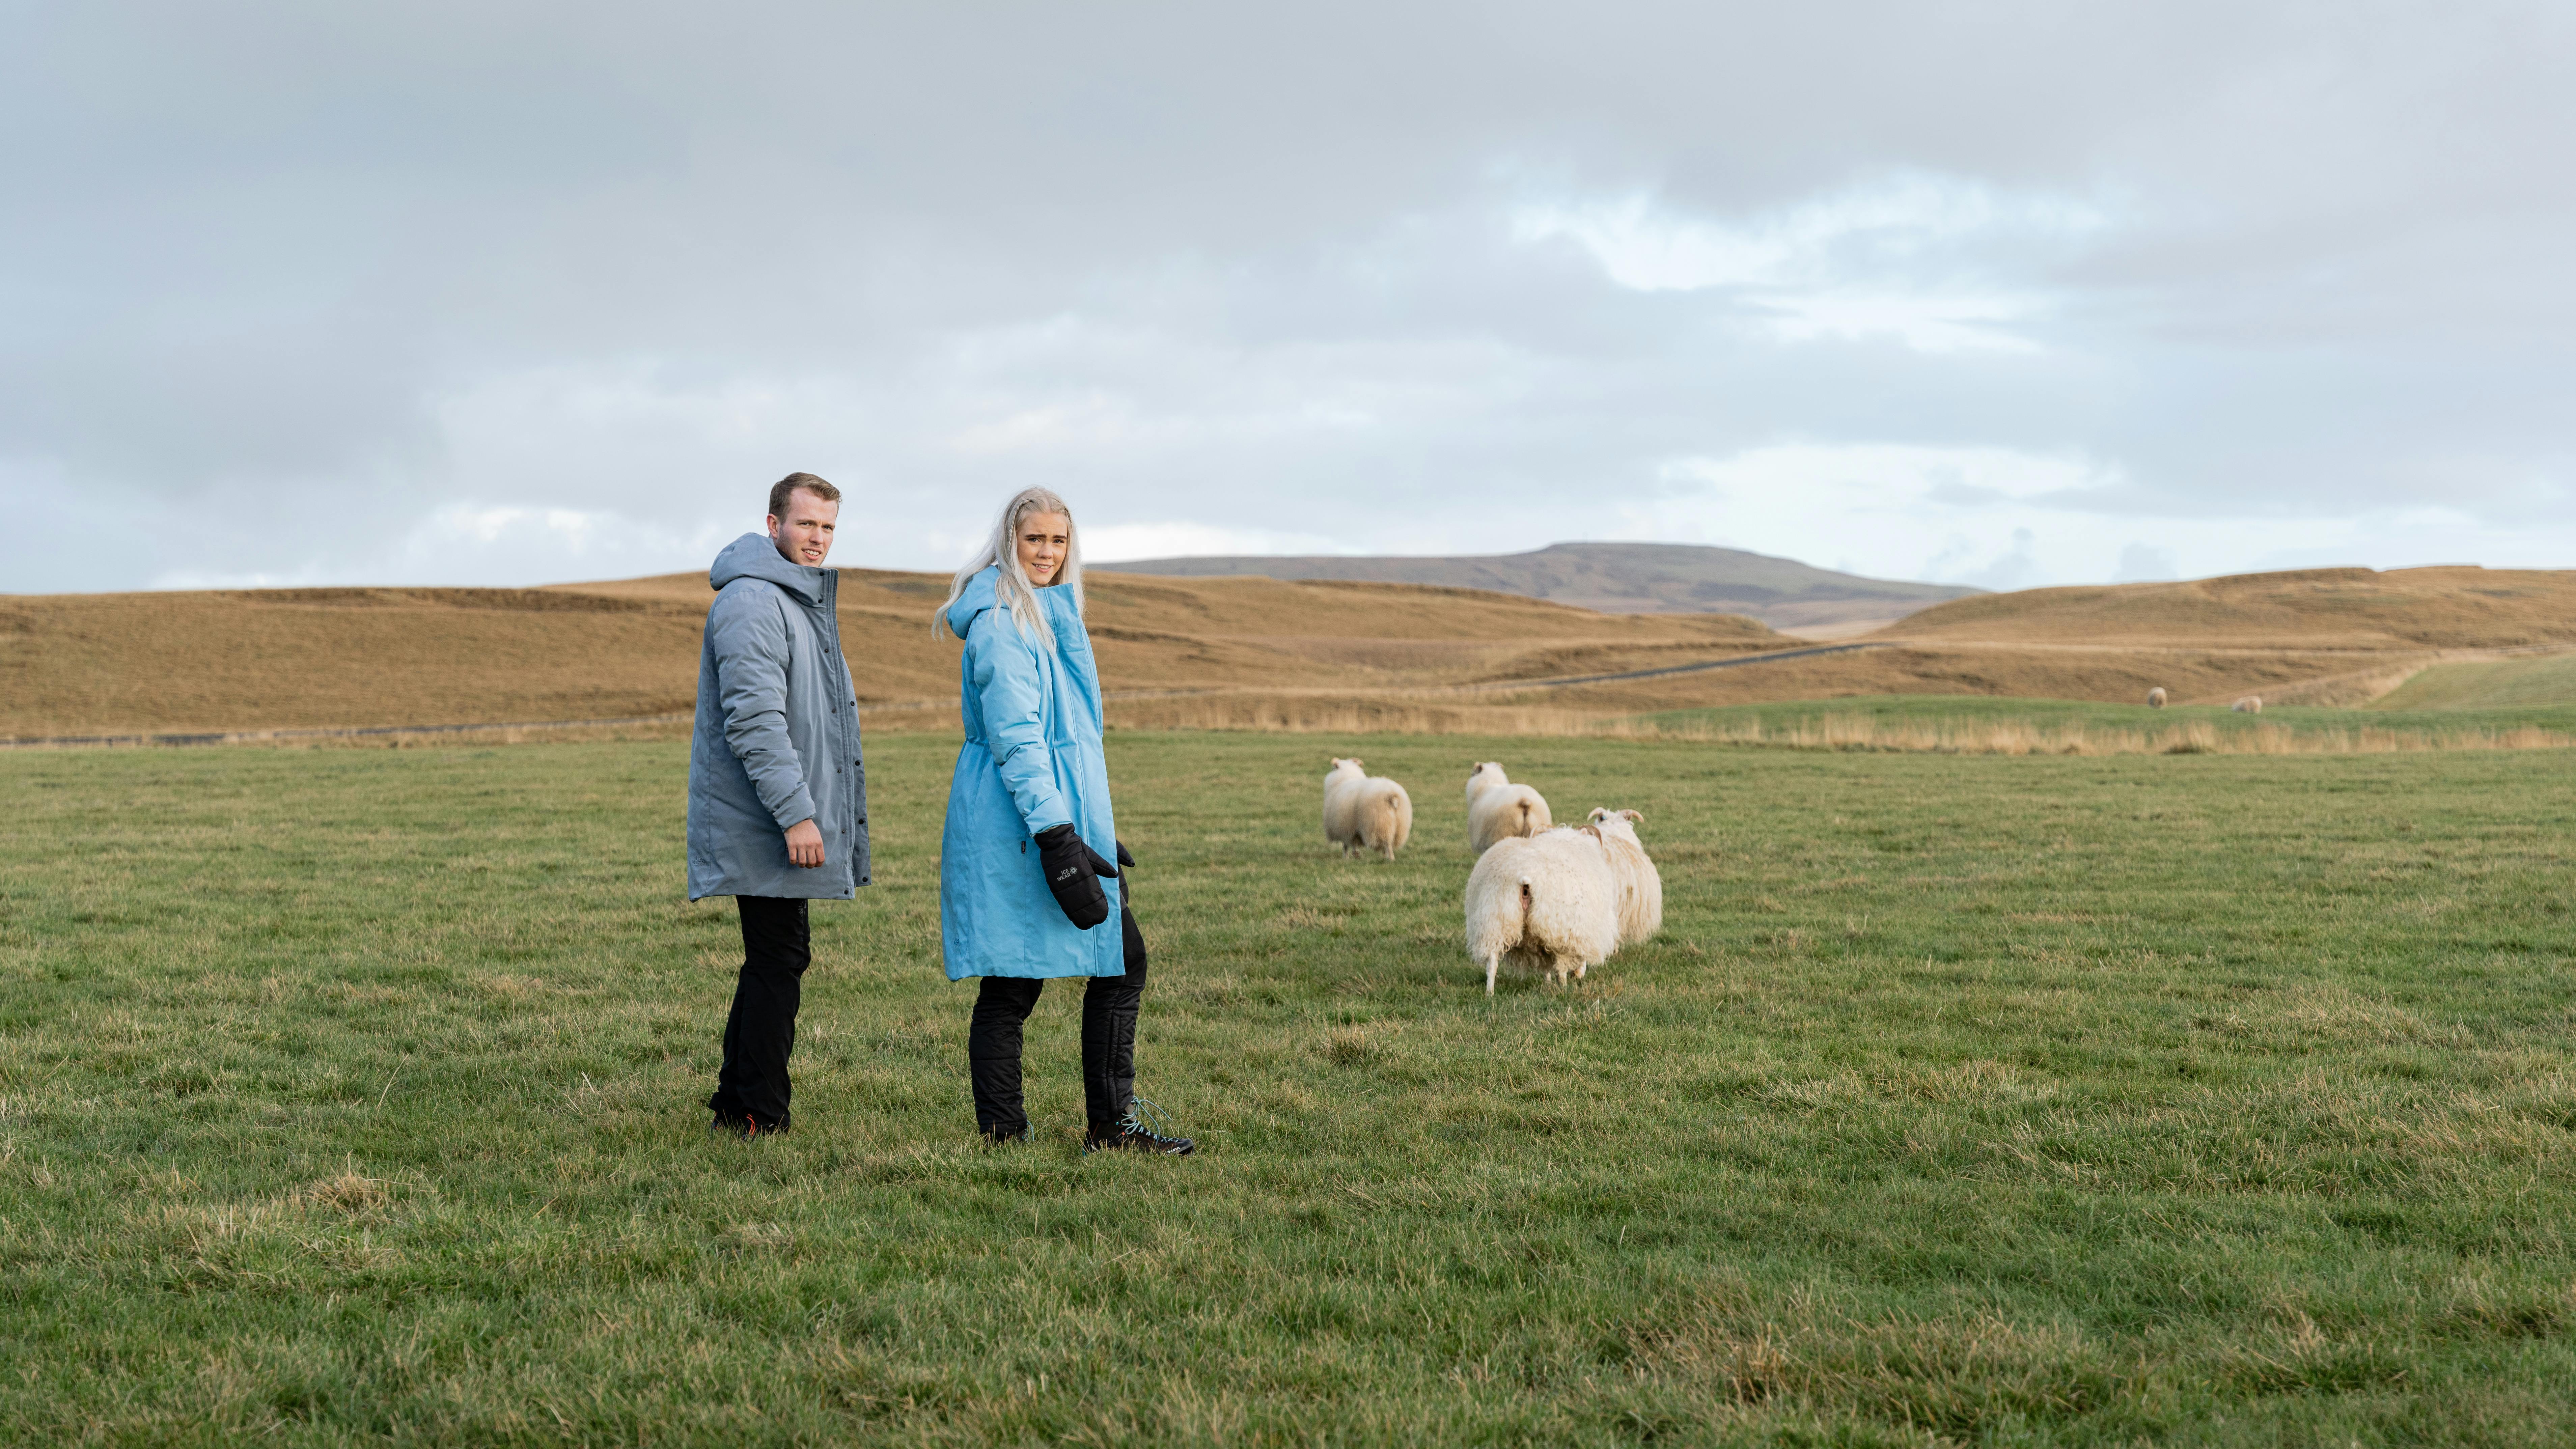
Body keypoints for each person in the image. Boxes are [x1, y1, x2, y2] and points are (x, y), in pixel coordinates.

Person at [934, 487, 1193, 1154]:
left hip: (1048, 813)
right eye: (1033, 540)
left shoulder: (1047, 614)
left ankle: (1100, 1127)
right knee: (1019, 979)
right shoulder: (1000, 622)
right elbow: (1019, 740)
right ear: (1008, 544)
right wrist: (1057, 836)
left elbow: (1066, 739)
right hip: (1017, 823)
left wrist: (1090, 829)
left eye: (1057, 541)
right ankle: (1012, 1136)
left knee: (1105, 963)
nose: (1046, 553)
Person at [687, 472, 869, 1138]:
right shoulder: (754, 603)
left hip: (774, 815)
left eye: (827, 527)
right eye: (805, 525)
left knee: (776, 957)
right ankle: (754, 1113)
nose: (817, 539)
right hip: (763, 817)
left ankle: (737, 1103)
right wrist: (797, 814)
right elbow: (755, 722)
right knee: (777, 958)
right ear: (773, 525)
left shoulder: (794, 600)